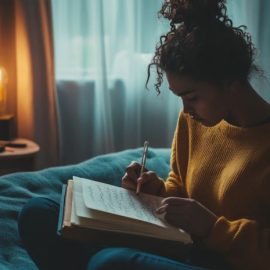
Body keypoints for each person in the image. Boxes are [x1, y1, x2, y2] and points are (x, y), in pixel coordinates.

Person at [18, 0, 270, 269]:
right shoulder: (196, 120)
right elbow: (179, 186)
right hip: (181, 245)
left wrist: (213, 228)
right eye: (181, 98)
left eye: (193, 97)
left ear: (230, 82)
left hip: (226, 262)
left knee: (110, 262)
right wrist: (157, 190)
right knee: (38, 212)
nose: (186, 110)